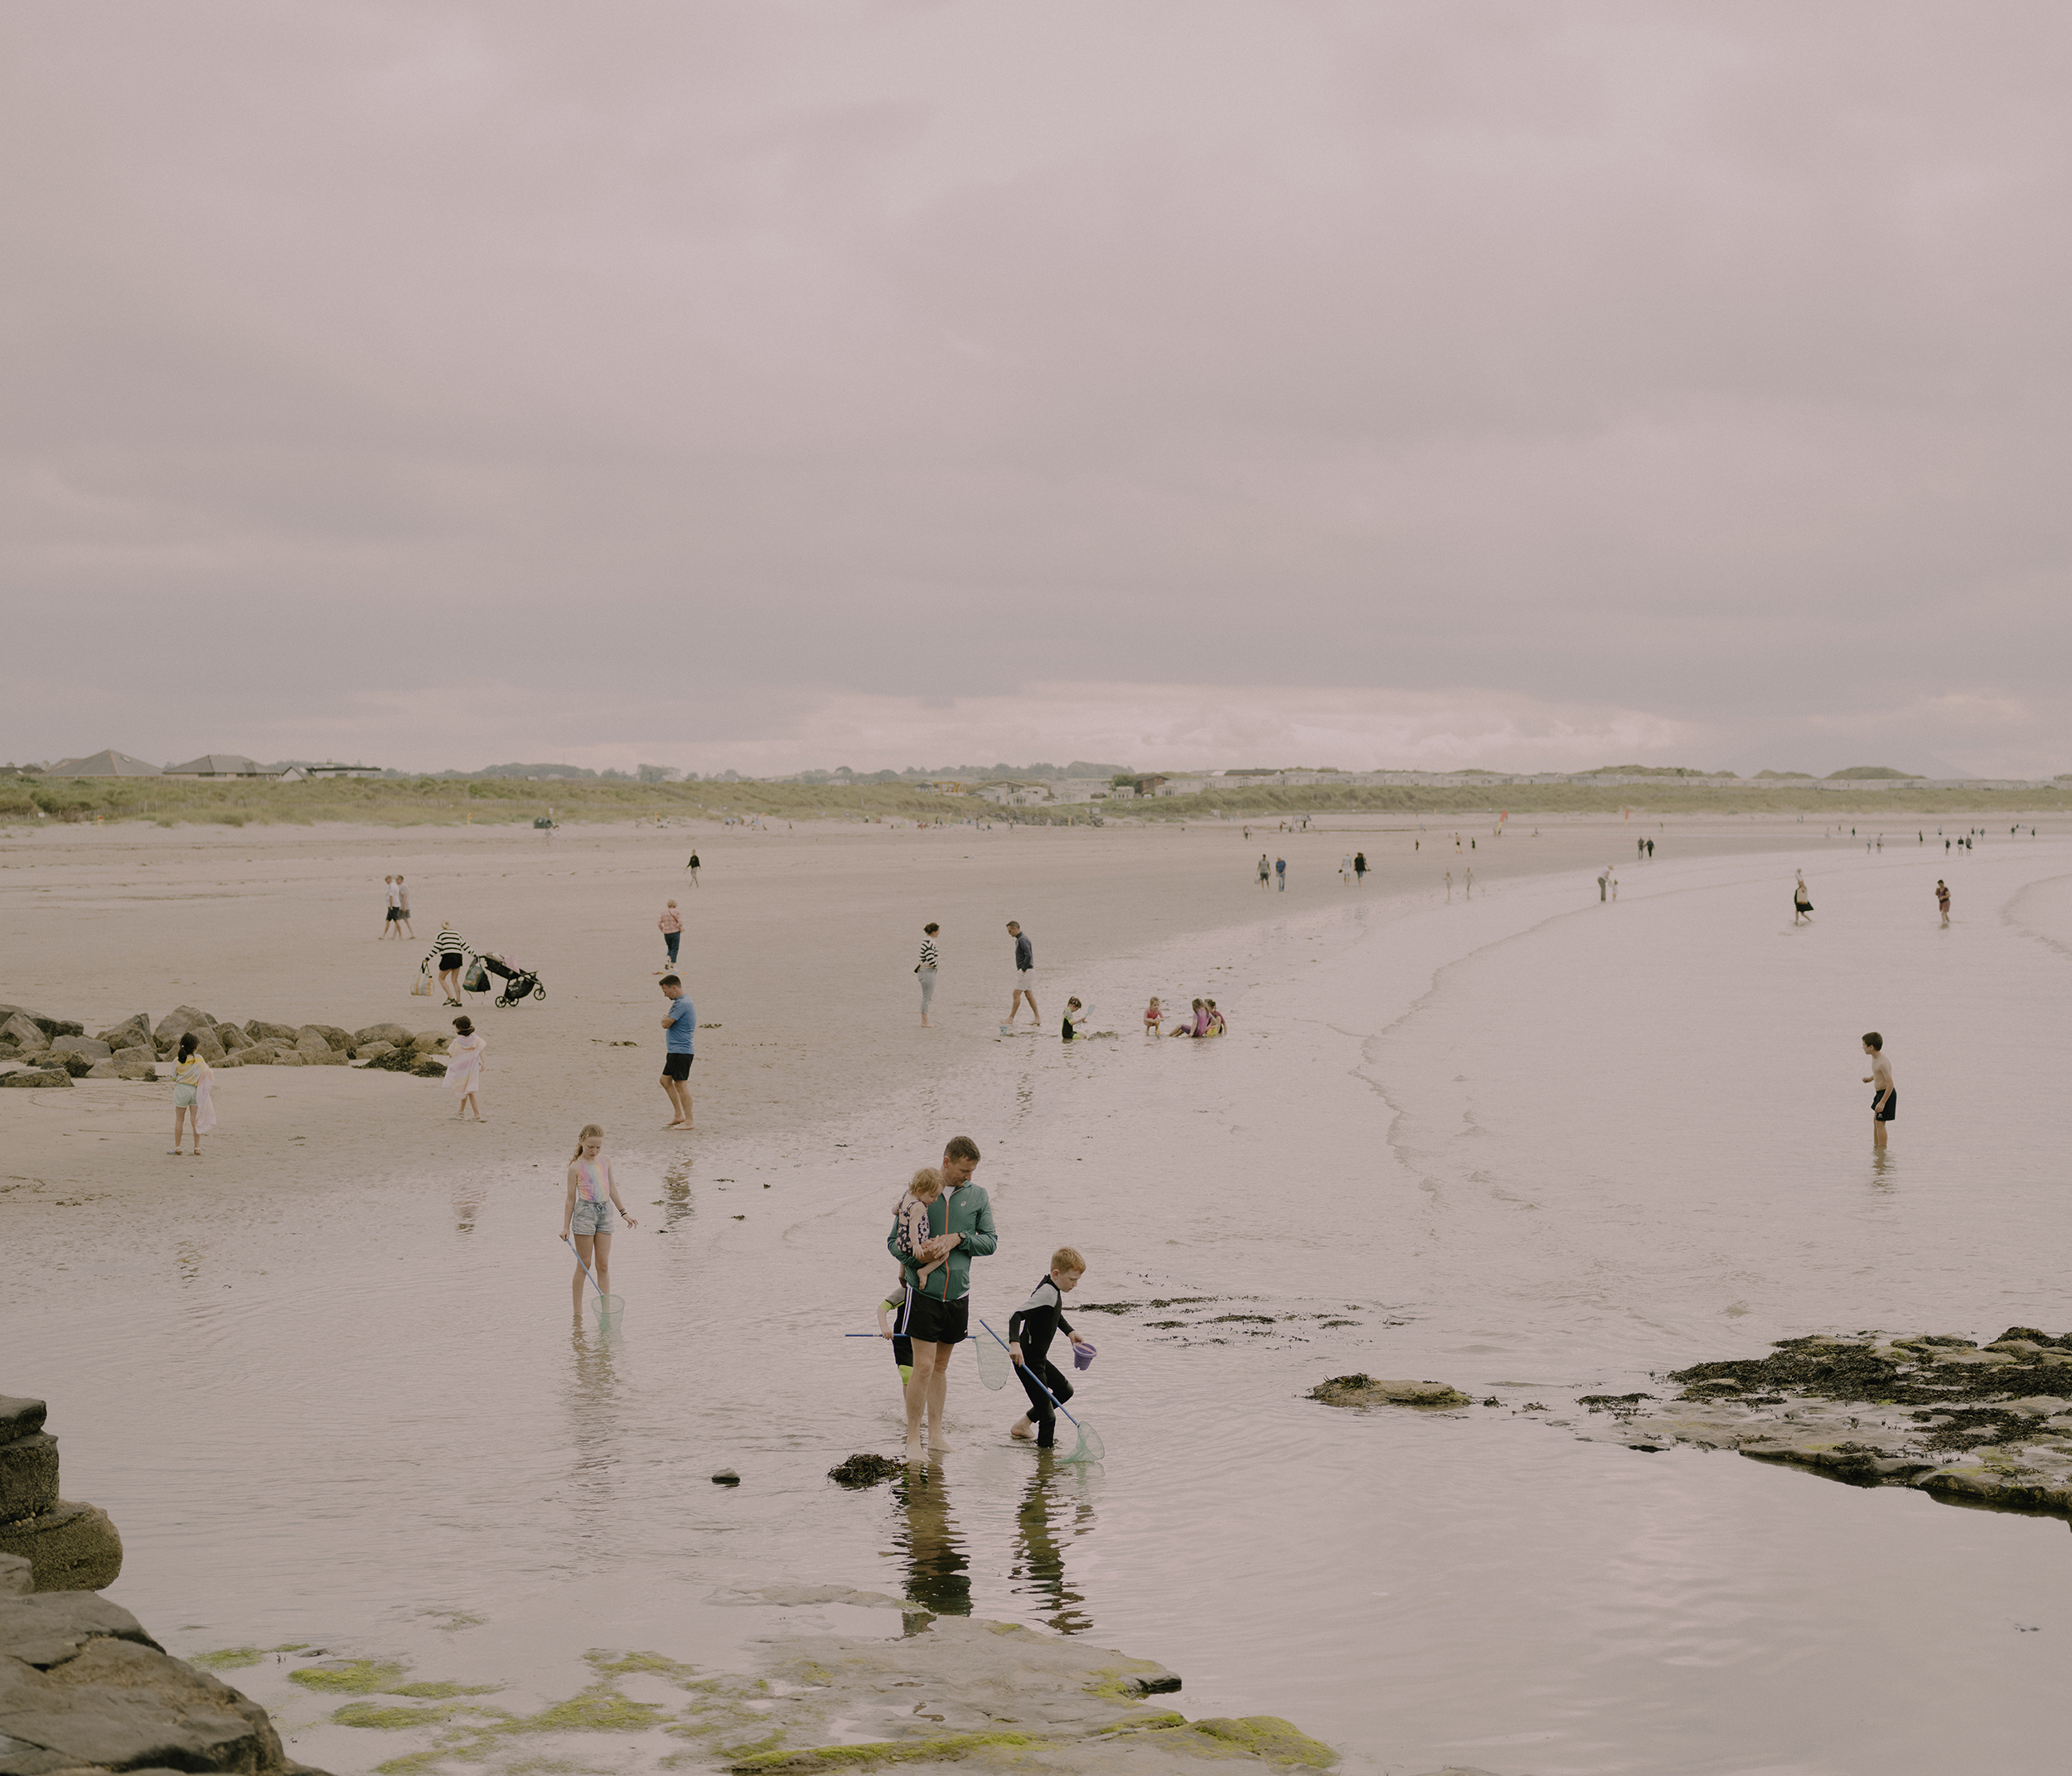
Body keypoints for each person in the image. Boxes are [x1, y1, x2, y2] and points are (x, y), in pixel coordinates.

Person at [888, 1135, 996, 1459]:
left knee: (941, 1366)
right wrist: (914, 1262)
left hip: (958, 1294)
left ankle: (935, 1436)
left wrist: (958, 1238)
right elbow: (894, 1241)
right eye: (964, 1170)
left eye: (973, 1171)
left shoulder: (977, 1196)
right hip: (922, 1294)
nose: (969, 1177)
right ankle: (912, 1440)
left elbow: (990, 1241)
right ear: (947, 1161)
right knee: (922, 1366)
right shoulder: (919, 1192)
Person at [1008, 1248, 1092, 1449]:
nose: (1075, 1284)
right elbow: (1016, 1315)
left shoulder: (1052, 1290)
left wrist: (1070, 1333)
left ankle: (1023, 1424)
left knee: (1064, 1391)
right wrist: (1015, 1344)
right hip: (1026, 1361)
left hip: (1039, 1358)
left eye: (1077, 1279)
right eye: (1072, 1279)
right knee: (1049, 1418)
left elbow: (1053, 1314)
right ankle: (1045, 1464)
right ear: (1056, 1274)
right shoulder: (1047, 1291)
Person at [561, 1123, 637, 1314]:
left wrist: (623, 1212)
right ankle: (577, 1313)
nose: (594, 1151)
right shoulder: (575, 1167)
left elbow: (611, 1188)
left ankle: (606, 1311)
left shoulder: (606, 1161)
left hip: (606, 1214)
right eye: (590, 1147)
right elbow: (570, 1199)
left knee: (603, 1265)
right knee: (584, 1264)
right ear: (581, 1142)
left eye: (598, 1147)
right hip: (584, 1215)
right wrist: (565, 1227)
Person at [658, 975, 695, 1128]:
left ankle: (689, 1120)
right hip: (674, 1050)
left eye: (666, 991)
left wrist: (663, 1019)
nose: (665, 995)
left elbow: (666, 1023)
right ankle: (679, 1115)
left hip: (682, 1051)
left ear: (674, 988)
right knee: (665, 1081)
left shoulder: (684, 1003)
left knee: (680, 1084)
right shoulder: (678, 1002)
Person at [168, 1031, 212, 1156]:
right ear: (194, 1048)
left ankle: (178, 1147)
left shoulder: (177, 1060)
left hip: (182, 1089)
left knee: (179, 1119)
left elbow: (174, 1078)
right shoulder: (199, 1059)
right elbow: (206, 1073)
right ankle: (197, 1147)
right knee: (195, 1120)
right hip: (195, 1090)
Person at [444, 1014, 486, 1120]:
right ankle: (461, 1112)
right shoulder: (476, 1039)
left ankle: (477, 1115)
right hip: (474, 1068)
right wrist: (484, 1062)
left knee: (470, 1090)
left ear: (460, 1029)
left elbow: (451, 1054)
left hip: (463, 1069)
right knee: (466, 1089)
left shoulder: (457, 1041)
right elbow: (481, 1049)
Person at [1862, 1033, 1896, 1150]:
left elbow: (1890, 1084)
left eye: (1864, 1045)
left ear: (1871, 1047)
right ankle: (1876, 1148)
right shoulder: (1875, 1058)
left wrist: (1882, 1102)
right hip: (1879, 1093)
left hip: (1887, 1094)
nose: (1862, 1047)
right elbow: (1878, 1073)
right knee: (1876, 1121)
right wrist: (1870, 1079)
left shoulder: (1882, 1062)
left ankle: (1882, 1150)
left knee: (1880, 1123)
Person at [424, 923, 470, 1007]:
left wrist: (427, 958)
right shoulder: (457, 933)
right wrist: (474, 955)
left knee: (441, 979)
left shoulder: (441, 934)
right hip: (458, 957)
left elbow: (436, 948)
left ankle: (450, 997)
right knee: (455, 980)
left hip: (448, 957)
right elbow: (464, 945)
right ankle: (459, 1001)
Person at [1005, 922, 1039, 1028]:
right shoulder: (1021, 939)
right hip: (1028, 970)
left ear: (1015, 928)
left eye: (1010, 931)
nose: (1009, 933)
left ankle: (1010, 1018)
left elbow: (1028, 954)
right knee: (1029, 995)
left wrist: (1023, 969)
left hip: (1027, 971)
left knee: (1016, 994)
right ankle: (1037, 1018)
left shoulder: (1022, 939)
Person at [916, 923, 940, 1027]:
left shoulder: (926, 941)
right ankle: (924, 1021)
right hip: (927, 972)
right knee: (927, 997)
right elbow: (930, 958)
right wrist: (937, 965)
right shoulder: (929, 943)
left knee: (927, 997)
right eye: (938, 931)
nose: (939, 933)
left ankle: (924, 1020)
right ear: (933, 932)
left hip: (925, 971)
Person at [658, 901, 682, 971]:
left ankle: (667, 959)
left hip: (666, 933)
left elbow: (659, 923)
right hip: (675, 932)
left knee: (670, 947)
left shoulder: (663, 912)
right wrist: (680, 929)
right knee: (675, 948)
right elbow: (680, 922)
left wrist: (663, 930)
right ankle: (672, 965)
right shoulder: (677, 911)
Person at [380, 875, 400, 940]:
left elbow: (391, 896)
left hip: (394, 906)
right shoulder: (392, 885)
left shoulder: (392, 886)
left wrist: (391, 906)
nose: (386, 882)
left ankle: (400, 935)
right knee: (387, 920)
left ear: (389, 879)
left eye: (386, 880)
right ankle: (383, 935)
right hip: (392, 905)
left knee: (396, 921)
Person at [395, 875, 414, 939]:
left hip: (403, 906)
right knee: (399, 920)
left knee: (398, 920)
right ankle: (394, 935)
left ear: (401, 879)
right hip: (403, 906)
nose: (396, 881)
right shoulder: (402, 886)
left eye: (397, 879)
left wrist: (404, 907)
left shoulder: (403, 886)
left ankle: (412, 934)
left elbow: (405, 896)